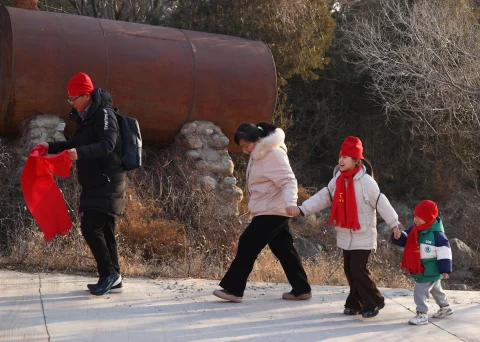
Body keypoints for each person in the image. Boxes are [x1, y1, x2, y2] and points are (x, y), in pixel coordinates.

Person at [291, 136, 400, 318]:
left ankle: (374, 300)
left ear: (356, 160)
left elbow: (382, 203)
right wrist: (302, 210)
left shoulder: (366, 182)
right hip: (345, 234)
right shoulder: (337, 180)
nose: (341, 160)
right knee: (349, 270)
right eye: (340, 156)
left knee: (358, 269)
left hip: (363, 234)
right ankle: (355, 302)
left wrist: (394, 224)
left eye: (346, 157)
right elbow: (323, 197)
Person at [39, 72, 125, 296]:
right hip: (94, 181)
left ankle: (108, 275)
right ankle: (114, 277)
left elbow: (107, 144)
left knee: (90, 226)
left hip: (108, 180)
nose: (71, 103)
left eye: (74, 98)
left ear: (87, 95)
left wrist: (79, 153)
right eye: (68, 98)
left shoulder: (104, 114)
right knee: (104, 229)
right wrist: (50, 146)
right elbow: (75, 143)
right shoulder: (84, 117)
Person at [213, 122, 312, 303]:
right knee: (283, 249)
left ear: (258, 140)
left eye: (247, 145)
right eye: (242, 147)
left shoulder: (272, 153)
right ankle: (302, 289)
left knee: (248, 243)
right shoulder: (259, 153)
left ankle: (234, 289)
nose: (245, 150)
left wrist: (291, 203)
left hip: (273, 209)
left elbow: (289, 181)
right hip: (270, 208)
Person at [391, 200, 453, 325]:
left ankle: (422, 314)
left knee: (420, 291)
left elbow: (444, 252)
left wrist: (445, 269)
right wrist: (398, 236)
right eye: (415, 216)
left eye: (420, 217)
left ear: (429, 217)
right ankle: (445, 307)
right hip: (424, 269)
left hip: (430, 270)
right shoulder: (415, 230)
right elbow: (405, 237)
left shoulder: (437, 235)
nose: (416, 219)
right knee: (436, 289)